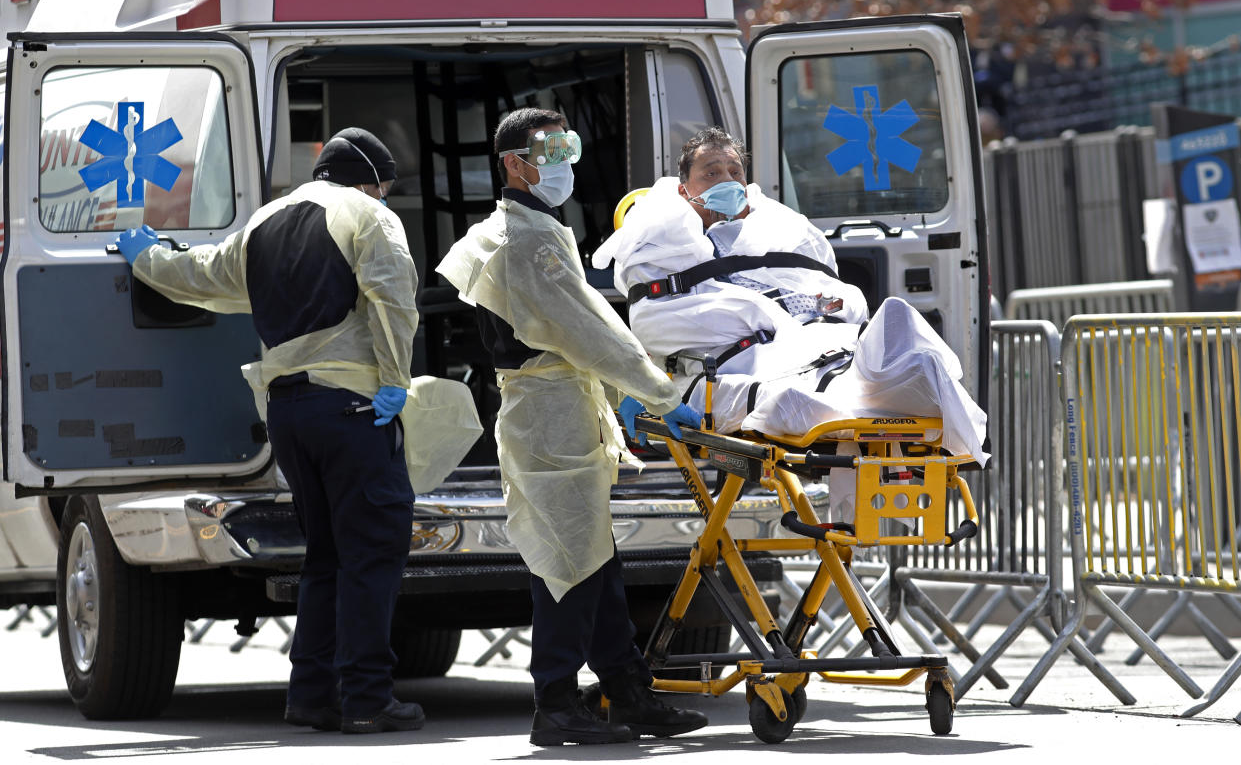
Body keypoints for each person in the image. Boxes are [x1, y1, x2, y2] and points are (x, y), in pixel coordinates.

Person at [116, 128, 425, 734]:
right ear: (370, 179)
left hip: (287, 411)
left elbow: (200, 278)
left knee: (326, 557)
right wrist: (395, 379)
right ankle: (367, 698)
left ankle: (311, 693)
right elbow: (394, 299)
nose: (385, 196)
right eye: (385, 186)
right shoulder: (367, 216)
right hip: (354, 408)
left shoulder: (263, 221)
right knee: (372, 552)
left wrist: (145, 257)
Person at [436, 108, 708, 747]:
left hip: (557, 406)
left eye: (568, 145)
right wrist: (659, 394)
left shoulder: (523, 231)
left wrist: (623, 394)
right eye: (547, 149)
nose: (561, 161)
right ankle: (555, 702)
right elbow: (587, 331)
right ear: (513, 163)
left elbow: (576, 335)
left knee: (594, 559)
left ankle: (627, 689)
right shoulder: (527, 241)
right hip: (549, 412)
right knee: (567, 561)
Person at [593, 128, 988, 517]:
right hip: (755, 363)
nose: (728, 181)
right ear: (684, 190)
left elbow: (836, 295)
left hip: (822, 343)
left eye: (735, 171)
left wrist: (820, 306)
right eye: (711, 173)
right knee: (800, 395)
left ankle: (887, 374)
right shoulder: (669, 249)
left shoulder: (780, 235)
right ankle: (883, 383)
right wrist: (757, 315)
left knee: (893, 323)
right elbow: (665, 323)